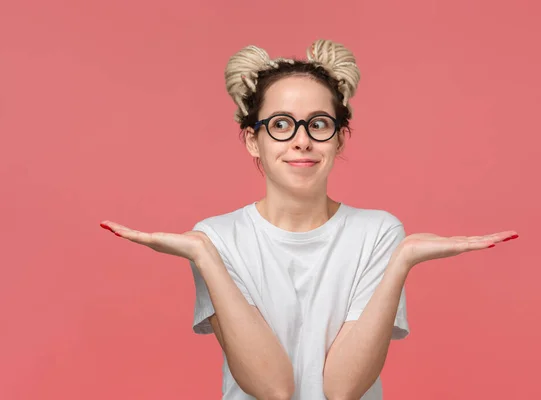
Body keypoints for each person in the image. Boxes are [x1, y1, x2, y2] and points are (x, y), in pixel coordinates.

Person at [100, 39, 518, 400]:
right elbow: (272, 388)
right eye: (281, 124)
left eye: (318, 124)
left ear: (338, 137)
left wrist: (402, 261)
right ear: (252, 139)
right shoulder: (214, 238)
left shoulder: (378, 233)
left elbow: (342, 389)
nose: (302, 140)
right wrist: (207, 257)